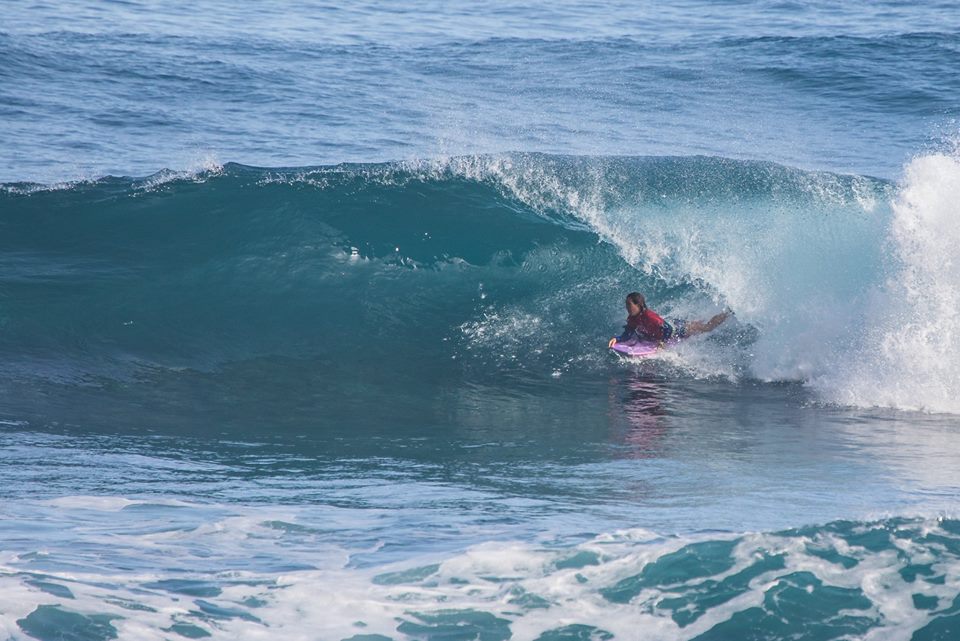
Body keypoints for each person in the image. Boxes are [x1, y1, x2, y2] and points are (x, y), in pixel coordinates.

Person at [608, 292, 730, 348]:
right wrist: (617, 339)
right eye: (626, 304)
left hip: (677, 329)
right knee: (698, 324)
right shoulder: (633, 318)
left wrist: (662, 342)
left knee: (707, 328)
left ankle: (728, 312)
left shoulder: (649, 316)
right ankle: (698, 321)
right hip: (669, 322)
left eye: (629, 304)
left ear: (638, 305)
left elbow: (668, 328)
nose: (627, 307)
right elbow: (628, 333)